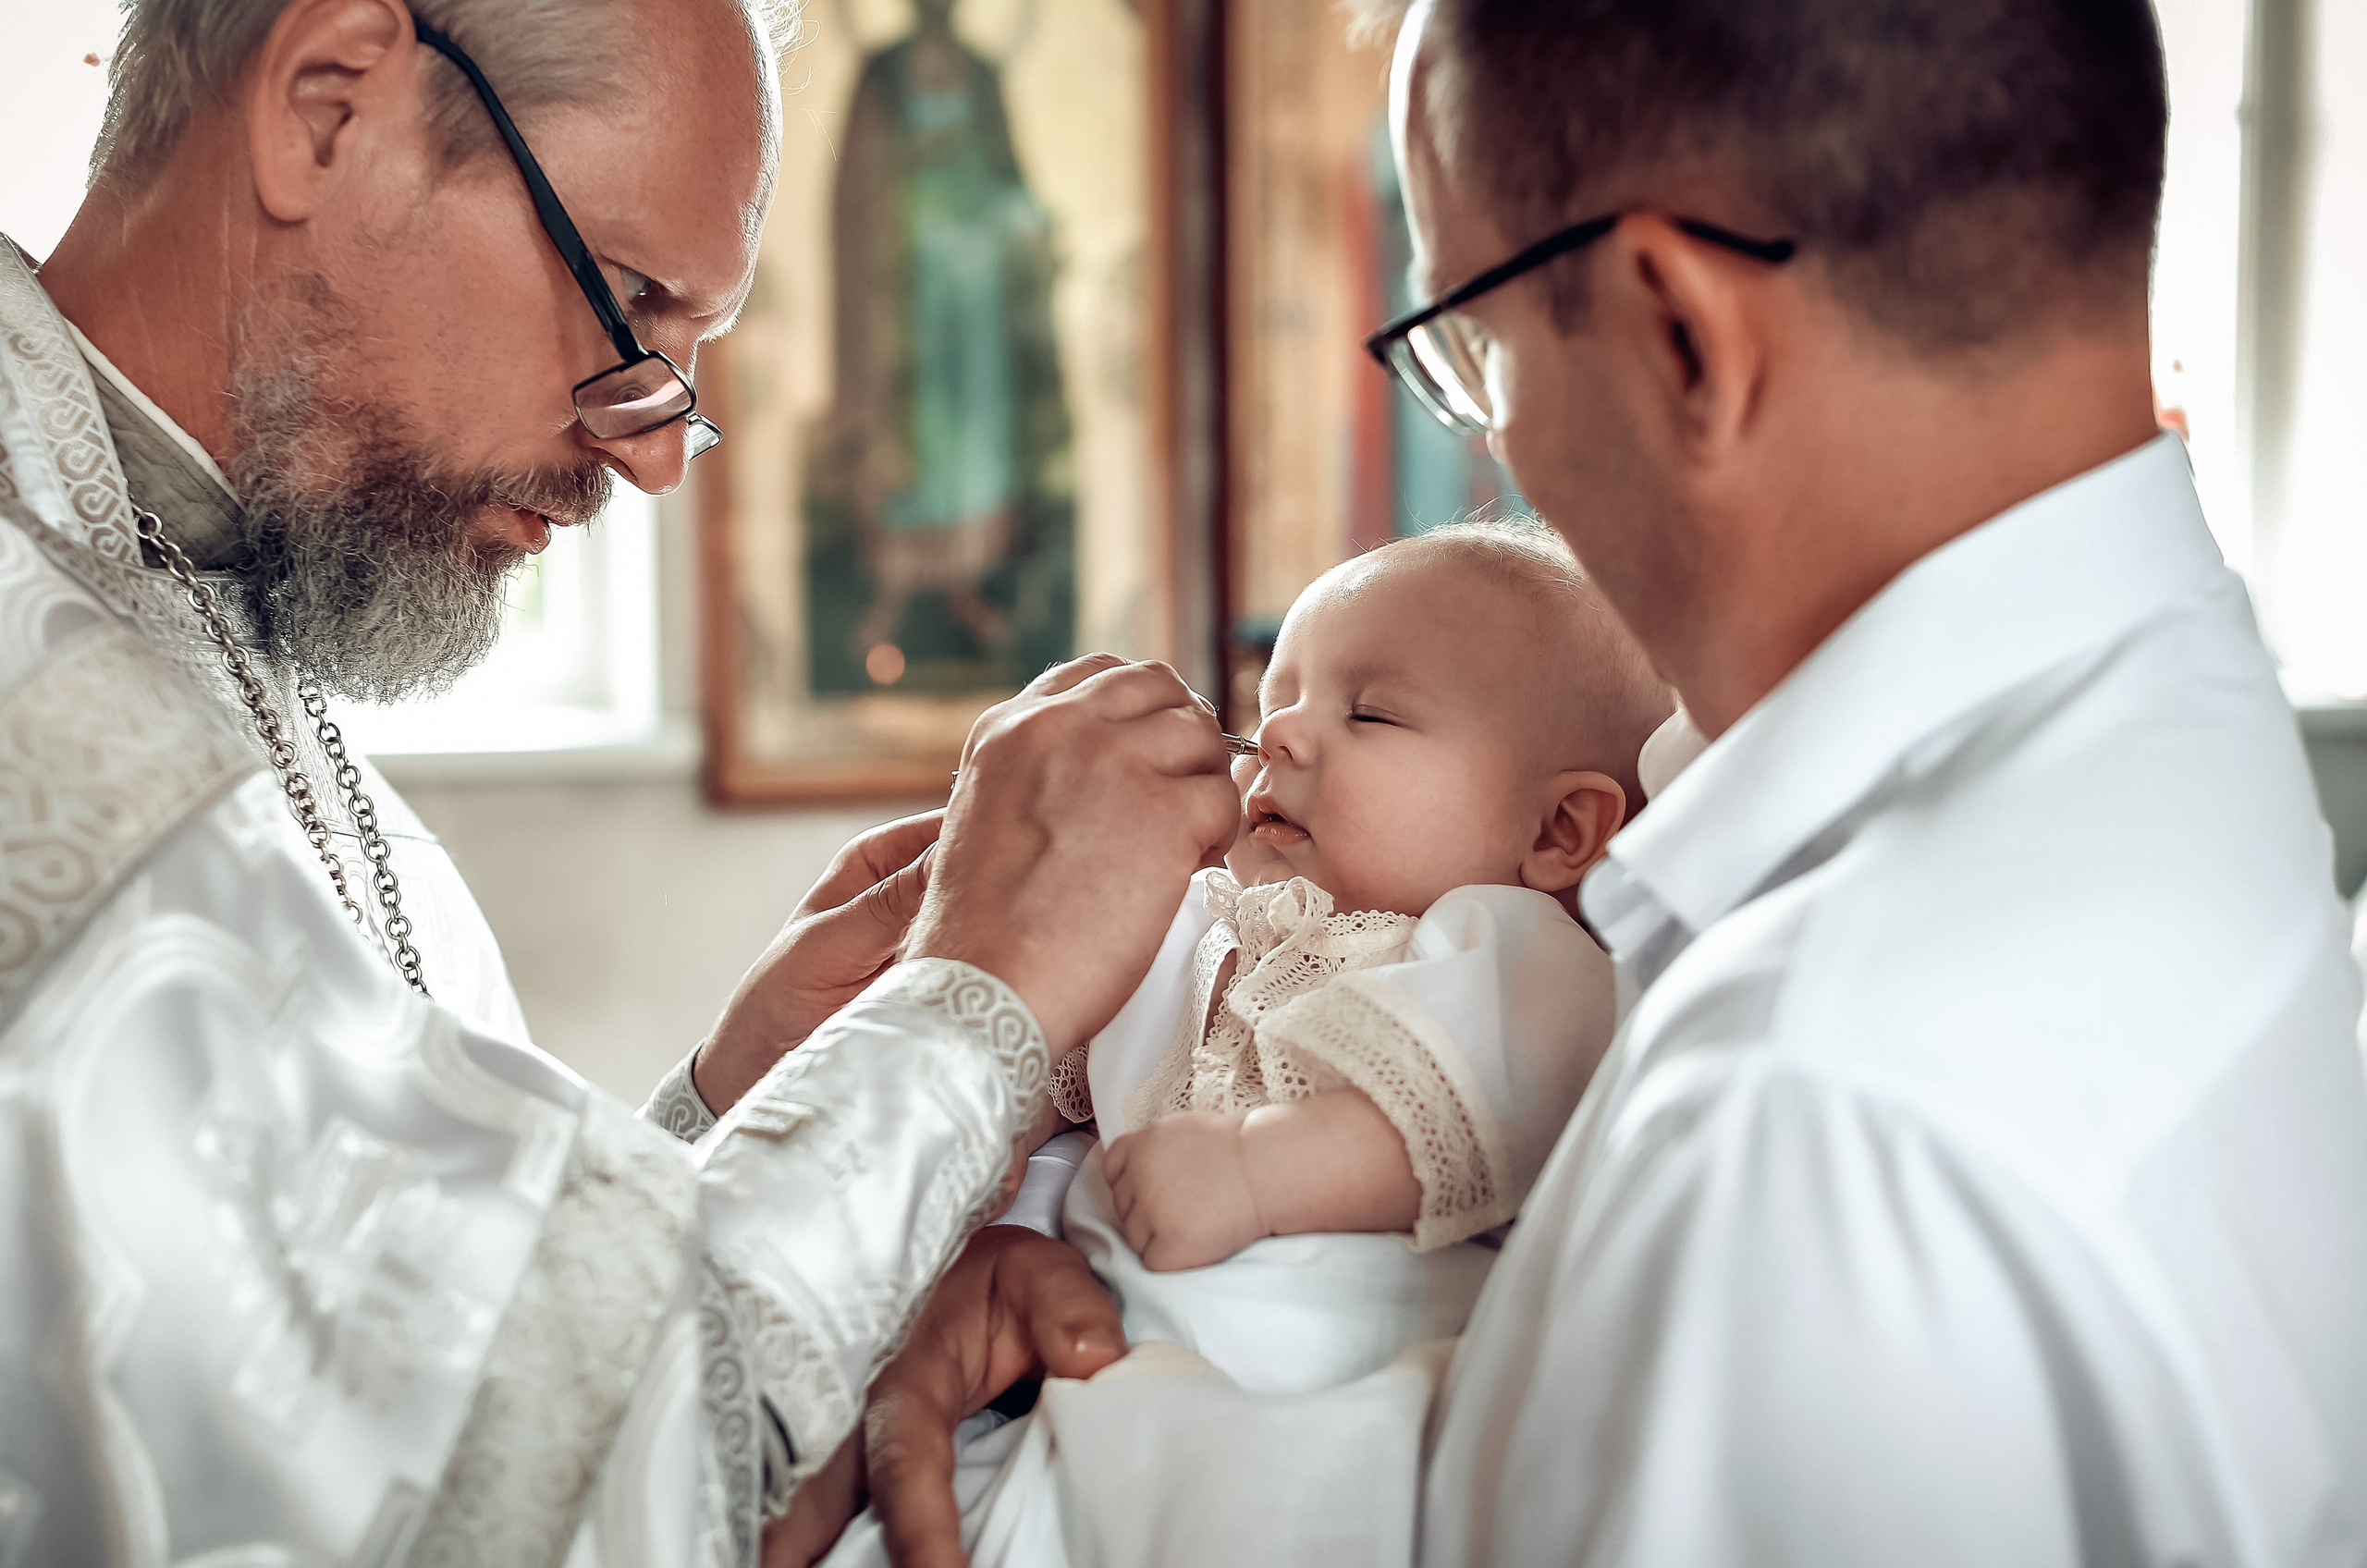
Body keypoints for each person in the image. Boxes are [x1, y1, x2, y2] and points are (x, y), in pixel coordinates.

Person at [812, 1, 2367, 1564]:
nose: (1497, 449)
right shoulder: (2171, 717)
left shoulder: (1822, 1117)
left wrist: (1056, 1430)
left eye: (1471, 345)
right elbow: (1559, 1439)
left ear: (1681, 333)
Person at [0, 1, 1234, 1564]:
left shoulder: (200, 582)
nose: (652, 455)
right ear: (327, 109)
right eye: (633, 300)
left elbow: (374, 1340)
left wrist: (721, 1110)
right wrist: (984, 996)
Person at [811, 521, 1671, 1566]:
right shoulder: (1195, 920)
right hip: (1095, 1376)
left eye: (1371, 712)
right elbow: (1033, 1054)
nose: (1283, 740)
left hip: (1322, 1393)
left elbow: (1488, 1106)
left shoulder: (1502, 944)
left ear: (1557, 832)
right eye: (1275, 704)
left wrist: (1263, 1172)